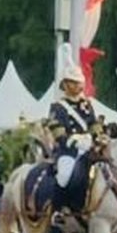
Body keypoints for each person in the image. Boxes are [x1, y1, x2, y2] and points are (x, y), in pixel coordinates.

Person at [46, 62, 104, 206]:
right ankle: (58, 209)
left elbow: (94, 124)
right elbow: (57, 132)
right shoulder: (58, 107)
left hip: (89, 149)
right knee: (64, 175)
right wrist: (73, 141)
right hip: (68, 151)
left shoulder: (87, 105)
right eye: (73, 82)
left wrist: (96, 137)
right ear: (65, 84)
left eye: (79, 82)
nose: (77, 86)